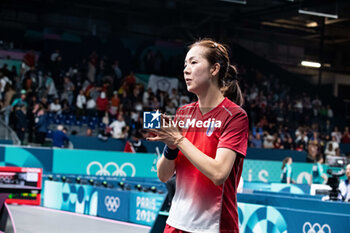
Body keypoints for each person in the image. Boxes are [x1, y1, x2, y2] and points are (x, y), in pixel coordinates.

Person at [147, 39, 249, 233]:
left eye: (193, 63)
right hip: (176, 224)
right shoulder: (183, 113)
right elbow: (163, 175)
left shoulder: (235, 116)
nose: (186, 70)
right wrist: (171, 146)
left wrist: (179, 140)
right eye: (185, 64)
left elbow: (219, 174)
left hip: (214, 226)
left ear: (214, 69)